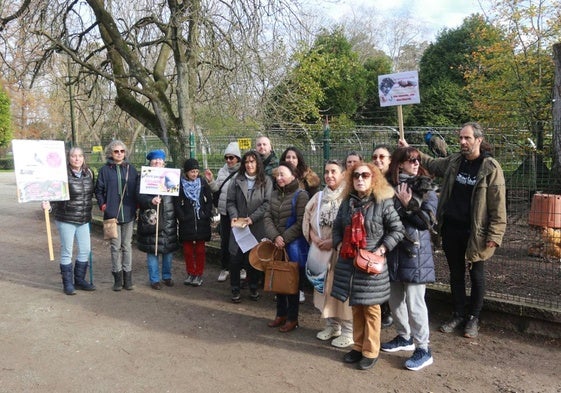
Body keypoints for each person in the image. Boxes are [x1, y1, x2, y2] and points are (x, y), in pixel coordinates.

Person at [400, 121, 506, 338]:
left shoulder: (490, 168)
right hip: (451, 228)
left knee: (476, 274)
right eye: (460, 138)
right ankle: (458, 313)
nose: (462, 142)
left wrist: (495, 235)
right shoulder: (455, 161)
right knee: (455, 273)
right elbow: (432, 163)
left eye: (467, 138)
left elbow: (498, 204)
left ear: (479, 140)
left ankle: (473, 318)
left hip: (476, 231)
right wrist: (410, 149)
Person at [331, 162, 404, 371]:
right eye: (356, 176)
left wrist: (381, 249)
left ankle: (371, 351)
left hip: (371, 265)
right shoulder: (347, 202)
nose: (360, 179)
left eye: (365, 175)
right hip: (350, 263)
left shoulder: (383, 202)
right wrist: (338, 244)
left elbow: (397, 230)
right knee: (356, 307)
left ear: (374, 179)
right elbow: (337, 227)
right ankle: (358, 346)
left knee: (372, 309)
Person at [381, 147, 437, 371]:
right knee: (395, 300)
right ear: (399, 164)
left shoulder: (426, 187)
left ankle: (423, 348)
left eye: (417, 160)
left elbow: (427, 223)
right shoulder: (387, 187)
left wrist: (409, 205)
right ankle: (404, 337)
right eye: (410, 160)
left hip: (415, 252)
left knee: (415, 303)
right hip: (393, 251)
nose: (415, 163)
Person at [303, 159, 353, 348]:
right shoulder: (318, 197)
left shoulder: (348, 197)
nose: (329, 175)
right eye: (326, 172)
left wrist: (334, 241)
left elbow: (351, 225)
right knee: (324, 289)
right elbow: (307, 219)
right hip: (320, 251)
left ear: (342, 174)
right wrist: (314, 238)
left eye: (333, 171)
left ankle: (349, 330)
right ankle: (332, 325)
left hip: (340, 252)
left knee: (342, 291)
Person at [42, 147, 95, 295]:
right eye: (73, 156)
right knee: (67, 252)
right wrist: (48, 205)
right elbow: (53, 195)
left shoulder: (89, 173)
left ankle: (79, 280)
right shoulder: (61, 175)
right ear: (68, 158)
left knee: (85, 250)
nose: (77, 159)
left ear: (83, 158)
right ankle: (68, 284)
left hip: (84, 218)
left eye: (79, 156)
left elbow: (94, 192)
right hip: (66, 218)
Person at [264, 161, 310, 333]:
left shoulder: (301, 195)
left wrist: (284, 238)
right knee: (278, 281)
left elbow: (301, 222)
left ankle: (292, 318)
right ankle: (280, 314)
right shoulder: (274, 194)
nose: (279, 178)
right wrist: (275, 237)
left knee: (292, 283)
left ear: (293, 176)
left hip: (292, 246)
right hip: (277, 245)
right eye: (277, 175)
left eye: (282, 174)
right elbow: (267, 217)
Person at [226, 150, 273, 303]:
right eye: (247, 162)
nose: (249, 165)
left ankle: (253, 288)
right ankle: (234, 289)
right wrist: (235, 217)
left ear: (258, 163)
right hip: (238, 227)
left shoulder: (266, 181)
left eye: (252, 162)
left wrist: (252, 218)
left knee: (253, 259)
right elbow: (230, 201)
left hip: (256, 226)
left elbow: (267, 203)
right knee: (235, 259)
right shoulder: (237, 180)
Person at [279, 146, 321, 303]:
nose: (290, 160)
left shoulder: (309, 180)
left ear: (299, 160)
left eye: (294, 157)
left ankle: (300, 288)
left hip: (302, 224)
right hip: (283, 222)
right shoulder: (279, 177)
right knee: (283, 258)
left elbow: (315, 201)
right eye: (288, 157)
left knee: (299, 259)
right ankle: (283, 286)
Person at [95, 140, 138, 291]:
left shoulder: (131, 170)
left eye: (122, 151)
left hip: (128, 213)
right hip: (112, 214)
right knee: (115, 246)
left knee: (127, 246)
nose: (119, 154)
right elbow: (98, 190)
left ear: (125, 153)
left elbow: (137, 189)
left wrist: (136, 204)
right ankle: (117, 278)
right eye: (116, 151)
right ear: (111, 153)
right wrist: (103, 205)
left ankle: (128, 278)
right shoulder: (105, 170)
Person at [136, 150, 180, 290]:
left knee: (168, 249)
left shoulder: (170, 175)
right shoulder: (144, 177)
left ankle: (166, 276)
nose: (157, 162)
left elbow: (176, 197)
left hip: (168, 218)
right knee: (152, 250)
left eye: (160, 160)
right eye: (155, 160)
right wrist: (151, 200)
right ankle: (154, 279)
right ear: (150, 162)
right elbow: (139, 197)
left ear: (163, 162)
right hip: (151, 219)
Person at [205, 142, 242, 282]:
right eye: (226, 158)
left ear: (237, 158)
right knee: (225, 241)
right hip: (225, 212)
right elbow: (216, 189)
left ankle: (241, 268)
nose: (228, 160)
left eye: (231, 157)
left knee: (240, 241)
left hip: (239, 213)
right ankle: (225, 268)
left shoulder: (243, 171)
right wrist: (211, 181)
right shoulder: (222, 171)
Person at [175, 158, 213, 287]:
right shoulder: (180, 184)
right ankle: (191, 272)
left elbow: (209, 199)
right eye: (192, 171)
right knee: (188, 250)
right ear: (186, 172)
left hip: (201, 220)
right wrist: (182, 216)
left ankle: (199, 273)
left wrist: (205, 213)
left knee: (201, 250)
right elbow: (177, 203)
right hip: (187, 221)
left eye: (196, 171)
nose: (195, 174)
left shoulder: (202, 183)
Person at [371, 144, 394, 328]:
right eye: (375, 157)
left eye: (382, 157)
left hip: (390, 237)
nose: (378, 160)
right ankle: (381, 310)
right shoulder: (369, 180)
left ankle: (388, 311)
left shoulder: (394, 181)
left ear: (390, 160)